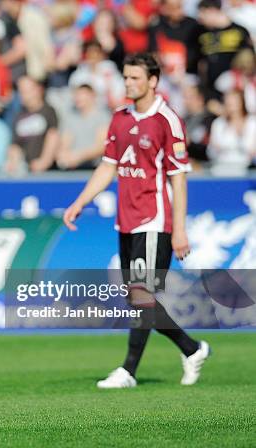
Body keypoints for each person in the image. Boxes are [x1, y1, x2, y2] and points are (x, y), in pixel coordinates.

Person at [63, 53, 210, 389]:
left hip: (155, 219)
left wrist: (180, 229)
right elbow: (108, 166)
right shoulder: (120, 118)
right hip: (126, 220)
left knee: (142, 293)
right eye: (126, 78)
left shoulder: (167, 120)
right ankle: (192, 348)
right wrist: (80, 202)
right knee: (137, 296)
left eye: (135, 78)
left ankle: (128, 370)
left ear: (153, 81)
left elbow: (178, 178)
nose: (129, 84)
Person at [197, 0, 253, 94]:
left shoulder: (239, 31)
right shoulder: (201, 33)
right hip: (211, 90)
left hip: (236, 90)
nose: (200, 19)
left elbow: (249, 60)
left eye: (203, 14)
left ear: (212, 11)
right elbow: (201, 63)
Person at [6, 75, 59, 174]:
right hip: (27, 170)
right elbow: (15, 144)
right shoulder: (18, 115)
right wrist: (13, 162)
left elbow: (53, 135)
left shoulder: (49, 111)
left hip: (47, 171)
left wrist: (45, 161)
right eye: (20, 91)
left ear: (38, 90)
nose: (23, 95)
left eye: (26, 91)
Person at [56, 83, 110, 170]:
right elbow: (65, 142)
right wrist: (64, 157)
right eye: (76, 95)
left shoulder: (103, 116)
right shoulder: (70, 117)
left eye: (82, 95)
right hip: (72, 167)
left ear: (92, 96)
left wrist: (79, 157)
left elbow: (101, 147)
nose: (78, 98)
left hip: (95, 168)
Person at [208, 89, 256, 174]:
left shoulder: (252, 122)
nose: (231, 105)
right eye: (228, 102)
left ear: (242, 102)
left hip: (249, 171)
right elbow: (211, 151)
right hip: (221, 170)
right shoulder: (218, 123)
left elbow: (252, 151)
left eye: (234, 101)